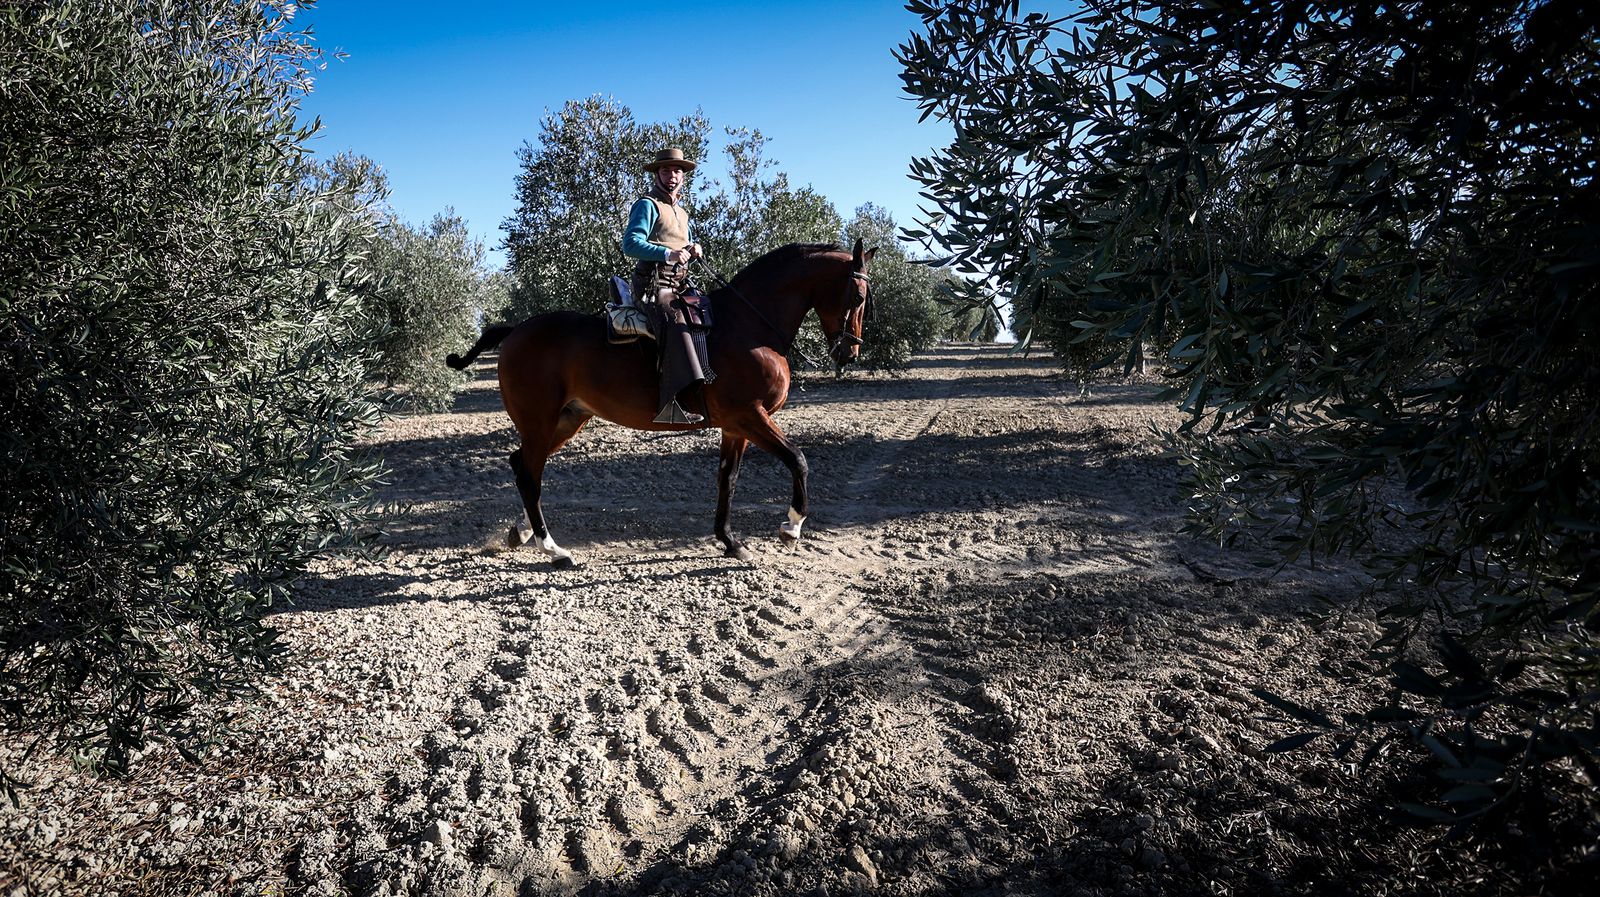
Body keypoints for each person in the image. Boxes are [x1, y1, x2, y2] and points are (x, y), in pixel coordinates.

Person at [621, 147, 716, 425]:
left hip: (678, 282)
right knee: (674, 322)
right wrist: (667, 254)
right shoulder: (647, 205)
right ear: (657, 174)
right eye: (665, 170)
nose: (672, 176)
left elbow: (680, 241)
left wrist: (693, 247)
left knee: (707, 313)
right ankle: (669, 405)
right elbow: (630, 243)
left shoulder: (682, 212)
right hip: (652, 284)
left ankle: (704, 381)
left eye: (677, 171)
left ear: (683, 176)